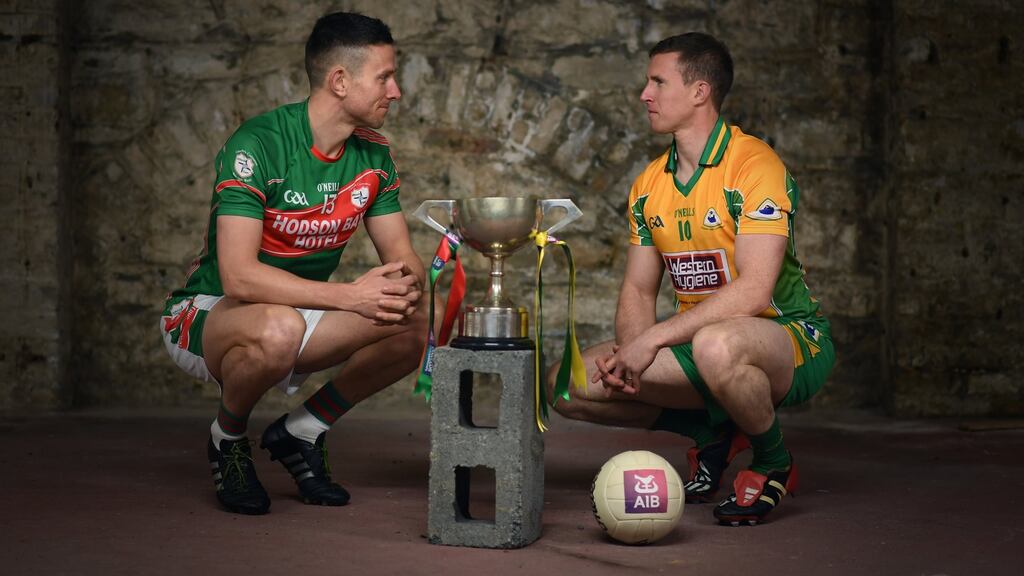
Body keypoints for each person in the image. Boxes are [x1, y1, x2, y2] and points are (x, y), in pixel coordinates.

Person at [549, 32, 834, 526]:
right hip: (699, 343)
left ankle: (773, 461)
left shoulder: (753, 165)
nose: (645, 94)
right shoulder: (648, 185)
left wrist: (654, 340)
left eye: (658, 81)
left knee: (716, 345)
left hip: (787, 340)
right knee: (569, 386)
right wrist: (632, 354)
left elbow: (754, 289)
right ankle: (712, 433)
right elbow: (639, 288)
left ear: (700, 91)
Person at [159, 12, 428, 515]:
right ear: (340, 81)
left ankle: (303, 430)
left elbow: (402, 258)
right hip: (210, 310)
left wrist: (413, 284)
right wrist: (351, 295)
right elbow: (239, 275)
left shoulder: (373, 155)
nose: (396, 91)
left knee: (417, 324)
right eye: (385, 77)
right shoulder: (258, 144)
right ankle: (228, 438)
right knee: (278, 327)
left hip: (301, 312)